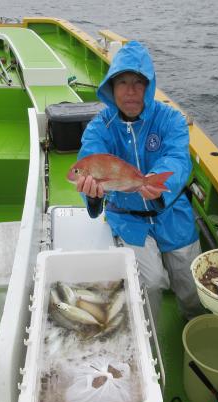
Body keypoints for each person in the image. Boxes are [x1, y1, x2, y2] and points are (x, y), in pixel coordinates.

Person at [74, 41, 206, 326]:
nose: (130, 91)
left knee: (190, 282)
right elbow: (89, 158)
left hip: (172, 212)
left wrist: (155, 183)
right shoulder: (99, 127)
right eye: (122, 82)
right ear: (111, 87)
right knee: (151, 283)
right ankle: (150, 337)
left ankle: (196, 324)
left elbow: (177, 159)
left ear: (149, 85)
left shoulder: (171, 119)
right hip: (128, 218)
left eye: (138, 82)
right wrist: (93, 196)